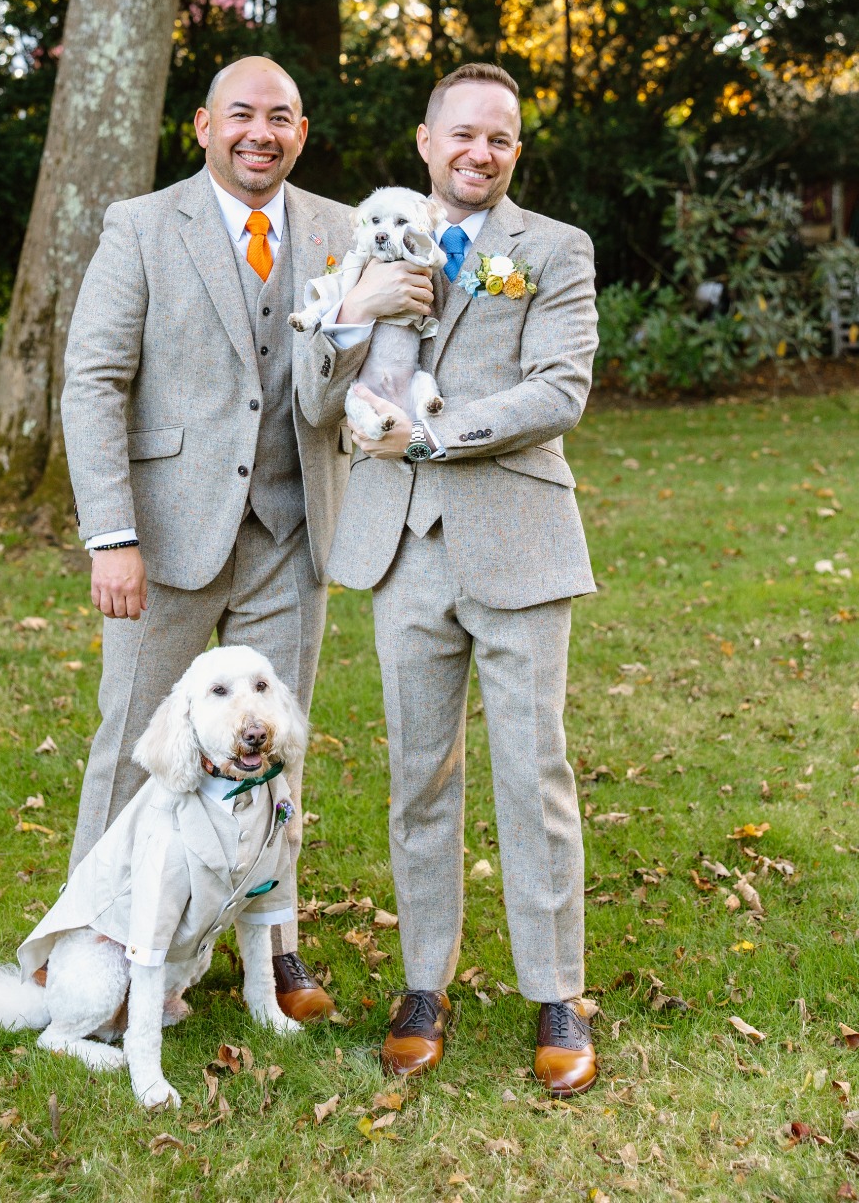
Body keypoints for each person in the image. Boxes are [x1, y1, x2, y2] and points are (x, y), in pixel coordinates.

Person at [298, 62, 600, 1093]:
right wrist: (356, 311)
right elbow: (318, 388)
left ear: (516, 151)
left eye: (500, 139)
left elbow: (559, 390)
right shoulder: (367, 238)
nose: (480, 152)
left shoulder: (554, 250)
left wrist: (428, 434)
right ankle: (423, 983)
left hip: (518, 540)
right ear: (425, 142)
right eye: (462, 134)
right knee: (418, 775)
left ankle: (556, 990)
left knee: (533, 770)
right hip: (401, 550)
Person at [61, 55, 358, 1021]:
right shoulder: (142, 228)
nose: (259, 133)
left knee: (271, 749)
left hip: (291, 527)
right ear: (202, 124)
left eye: (280, 117)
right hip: (165, 533)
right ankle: (95, 946)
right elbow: (94, 380)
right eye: (241, 115)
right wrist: (112, 535)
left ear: (301, 133)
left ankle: (275, 950)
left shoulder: (343, 232)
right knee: (135, 742)